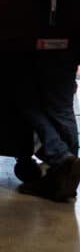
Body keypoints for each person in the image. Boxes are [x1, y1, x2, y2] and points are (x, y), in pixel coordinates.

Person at [17, 45, 80, 202]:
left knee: (28, 103)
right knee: (62, 109)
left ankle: (62, 164)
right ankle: (66, 179)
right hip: (70, 38)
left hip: (49, 36)